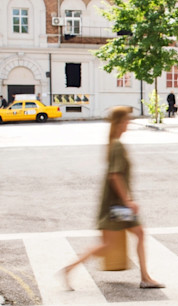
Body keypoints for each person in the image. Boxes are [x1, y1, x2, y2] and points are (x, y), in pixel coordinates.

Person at [61, 106, 164, 290]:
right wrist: (128, 201)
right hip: (117, 207)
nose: (129, 123)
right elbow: (115, 175)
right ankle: (145, 278)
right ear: (119, 122)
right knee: (118, 241)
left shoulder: (113, 143)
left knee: (119, 240)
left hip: (115, 205)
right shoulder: (117, 145)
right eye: (126, 120)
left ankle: (70, 268)